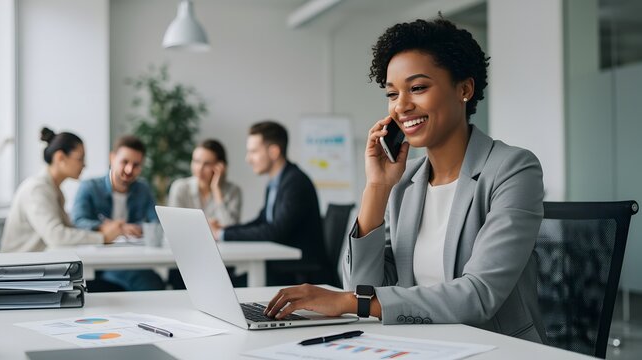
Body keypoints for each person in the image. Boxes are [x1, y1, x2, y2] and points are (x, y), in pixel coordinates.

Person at [264, 18, 547, 343]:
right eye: (392, 93)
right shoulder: (406, 180)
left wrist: (350, 303)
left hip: (493, 347)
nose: (401, 106)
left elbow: (479, 295)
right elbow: (359, 288)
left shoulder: (512, 169)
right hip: (422, 343)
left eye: (418, 88)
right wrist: (378, 187)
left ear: (464, 89)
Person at [210, 121, 327, 285]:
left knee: (224, 283)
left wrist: (222, 235)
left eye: (253, 152)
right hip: (280, 270)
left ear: (273, 152)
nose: (248, 159)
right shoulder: (277, 182)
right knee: (224, 280)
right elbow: (262, 221)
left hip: (297, 276)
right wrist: (224, 230)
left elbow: (274, 231)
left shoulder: (295, 183)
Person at [0, 128, 123, 252]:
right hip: (17, 267)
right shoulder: (37, 190)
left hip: (32, 264)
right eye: (80, 159)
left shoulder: (53, 189)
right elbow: (56, 236)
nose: (84, 165)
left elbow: (67, 229)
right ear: (60, 158)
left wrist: (100, 228)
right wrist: (102, 237)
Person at [72, 135, 164, 291]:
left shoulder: (143, 189)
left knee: (155, 283)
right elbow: (78, 221)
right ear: (112, 158)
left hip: (133, 258)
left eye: (136, 165)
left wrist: (134, 228)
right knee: (150, 284)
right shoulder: (89, 187)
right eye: (125, 162)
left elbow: (155, 223)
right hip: (100, 261)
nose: (129, 170)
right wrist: (110, 228)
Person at [168, 139, 242, 226]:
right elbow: (173, 225)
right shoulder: (180, 188)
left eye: (207, 164)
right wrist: (207, 225)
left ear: (220, 166)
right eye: (196, 161)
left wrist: (216, 189)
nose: (199, 168)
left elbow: (231, 227)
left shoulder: (233, 191)